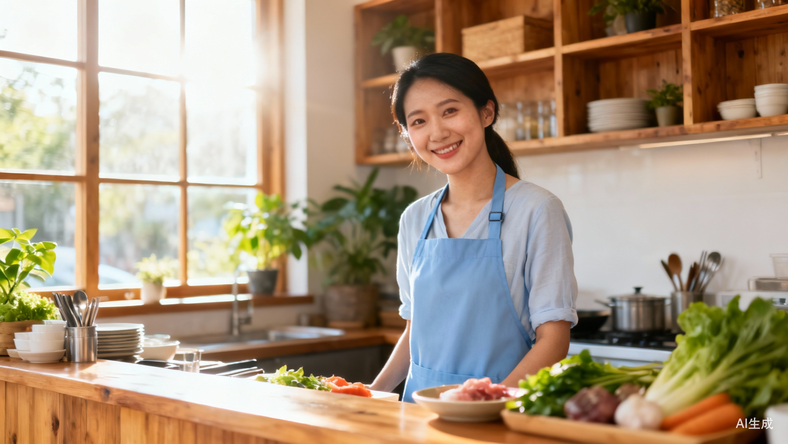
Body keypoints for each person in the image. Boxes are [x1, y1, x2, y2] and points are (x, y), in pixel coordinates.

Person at [369, 53, 578, 402]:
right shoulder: (415, 218)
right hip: (417, 416)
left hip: (499, 414)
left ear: (486, 112)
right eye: (419, 121)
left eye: (450, 110)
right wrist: (370, 394)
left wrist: (484, 402)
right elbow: (414, 330)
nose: (438, 132)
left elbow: (554, 340)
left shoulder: (537, 210)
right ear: (407, 135)